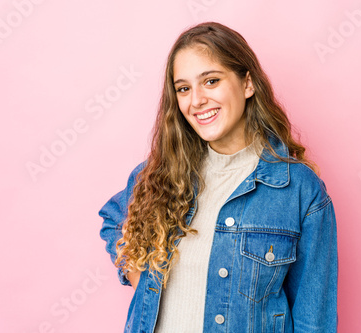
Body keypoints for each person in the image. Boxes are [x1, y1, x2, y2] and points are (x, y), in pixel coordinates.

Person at [99, 21, 338, 333]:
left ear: (247, 84)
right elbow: (113, 218)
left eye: (210, 81)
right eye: (183, 88)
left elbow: (315, 321)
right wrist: (136, 271)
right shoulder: (160, 175)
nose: (196, 100)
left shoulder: (299, 191)